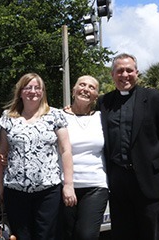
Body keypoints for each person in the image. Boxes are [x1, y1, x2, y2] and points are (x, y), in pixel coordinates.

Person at [98, 53, 159, 240]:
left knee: (152, 233)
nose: (125, 75)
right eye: (120, 71)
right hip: (119, 182)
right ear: (112, 74)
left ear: (136, 72)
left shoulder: (157, 99)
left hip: (150, 179)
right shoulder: (104, 103)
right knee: (123, 233)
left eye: (129, 70)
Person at [0, 73, 76, 239]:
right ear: (20, 91)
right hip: (15, 189)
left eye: (37, 87)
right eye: (28, 87)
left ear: (42, 91)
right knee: (21, 236)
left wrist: (68, 184)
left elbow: (65, 150)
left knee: (46, 235)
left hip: (48, 190)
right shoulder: (8, 117)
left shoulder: (55, 116)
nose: (33, 91)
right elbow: (1, 153)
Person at [62, 75, 108, 240]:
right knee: (66, 235)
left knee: (86, 235)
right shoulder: (58, 117)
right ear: (73, 90)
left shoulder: (102, 118)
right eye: (82, 85)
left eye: (91, 87)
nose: (86, 89)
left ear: (96, 95)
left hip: (96, 185)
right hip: (65, 186)